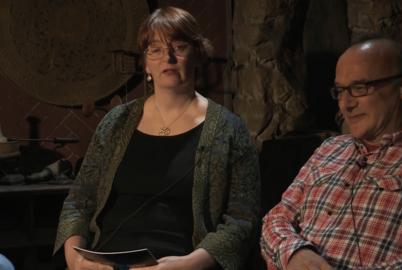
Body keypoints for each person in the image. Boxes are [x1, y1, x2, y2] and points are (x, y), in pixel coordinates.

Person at [54, 6, 260, 270]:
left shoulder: (230, 130)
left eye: (179, 47)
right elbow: (78, 203)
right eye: (156, 50)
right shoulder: (115, 123)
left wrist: (191, 264)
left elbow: (243, 220)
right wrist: (76, 260)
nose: (168, 58)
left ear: (197, 55)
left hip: (181, 263)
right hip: (104, 262)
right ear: (146, 64)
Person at [260, 37, 402, 269]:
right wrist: (295, 253)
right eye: (341, 91)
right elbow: (276, 219)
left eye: (359, 88)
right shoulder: (330, 148)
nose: (346, 104)